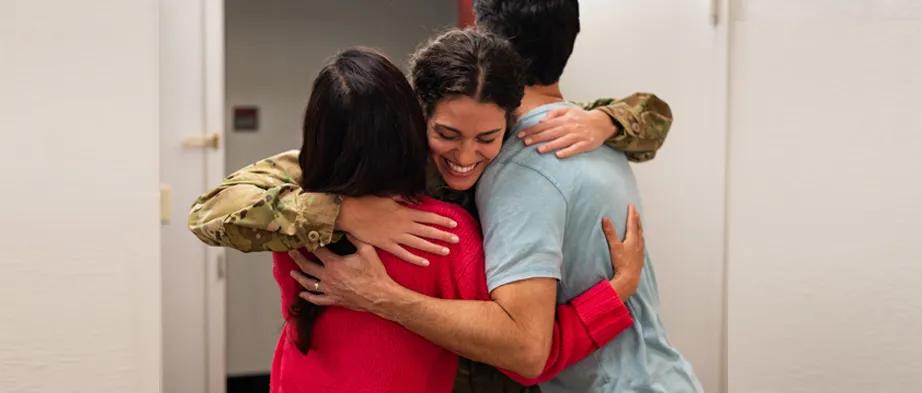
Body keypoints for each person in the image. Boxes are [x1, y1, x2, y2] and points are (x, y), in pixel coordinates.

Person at [295, 1, 704, 392]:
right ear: (419, 112)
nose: (466, 155)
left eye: (487, 137)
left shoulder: (553, 143)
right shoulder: (370, 174)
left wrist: (608, 119)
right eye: (446, 134)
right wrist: (342, 211)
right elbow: (237, 199)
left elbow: (526, 348)